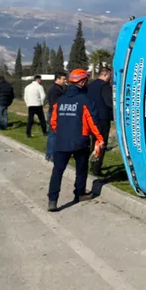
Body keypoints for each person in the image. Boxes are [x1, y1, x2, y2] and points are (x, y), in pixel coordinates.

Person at [47, 69, 104, 212]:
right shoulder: (85, 100)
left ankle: (52, 200)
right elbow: (93, 122)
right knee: (81, 170)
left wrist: (61, 132)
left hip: (62, 141)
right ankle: (79, 193)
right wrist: (100, 139)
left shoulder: (60, 100)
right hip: (80, 141)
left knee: (57, 171)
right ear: (82, 82)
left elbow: (53, 122)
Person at [87, 67, 113, 175]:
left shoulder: (91, 85)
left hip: (91, 117)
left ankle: (91, 164)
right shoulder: (104, 86)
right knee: (101, 143)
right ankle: (96, 168)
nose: (111, 77)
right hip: (102, 118)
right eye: (110, 75)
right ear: (105, 75)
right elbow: (109, 102)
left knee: (94, 142)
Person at [45, 72, 67, 161]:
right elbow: (55, 103)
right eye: (63, 79)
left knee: (55, 134)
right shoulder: (55, 90)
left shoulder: (59, 88)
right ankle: (50, 154)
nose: (65, 81)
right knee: (53, 134)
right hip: (54, 114)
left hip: (56, 113)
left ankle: (54, 153)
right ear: (57, 79)